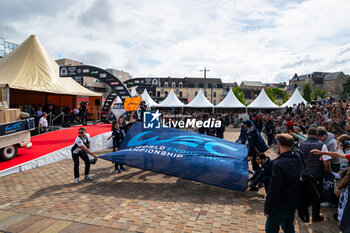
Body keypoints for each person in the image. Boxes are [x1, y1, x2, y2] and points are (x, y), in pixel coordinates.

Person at [264, 134, 301, 233]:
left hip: (280, 204)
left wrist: (268, 207)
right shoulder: (296, 158)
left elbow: (274, 188)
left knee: (271, 228)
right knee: (288, 227)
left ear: (279, 144)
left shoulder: (279, 164)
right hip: (292, 201)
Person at [298, 127, 332, 222]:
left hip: (304, 174)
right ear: (317, 135)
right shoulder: (322, 145)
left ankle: (304, 214)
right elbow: (326, 162)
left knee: (304, 194)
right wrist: (328, 170)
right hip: (317, 174)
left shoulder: (301, 144)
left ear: (308, 134)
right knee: (316, 195)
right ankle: (315, 215)